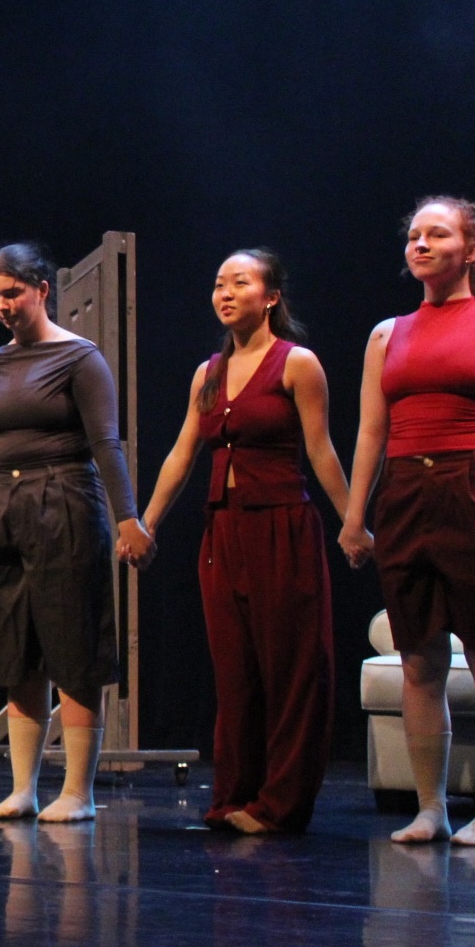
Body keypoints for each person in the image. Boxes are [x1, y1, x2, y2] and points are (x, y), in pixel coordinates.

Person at [0, 243, 153, 821]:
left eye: (12, 294)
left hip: (64, 500)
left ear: (43, 290)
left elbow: (106, 443)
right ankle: (23, 788)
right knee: (15, 651)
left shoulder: (80, 359)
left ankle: (78, 792)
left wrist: (127, 517)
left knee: (72, 648)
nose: (2, 306)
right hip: (1, 506)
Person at [340, 197, 475, 847]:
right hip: (405, 495)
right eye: (414, 236)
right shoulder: (387, 334)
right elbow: (371, 431)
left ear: (471, 249)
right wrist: (354, 516)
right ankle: (430, 808)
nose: (421, 244)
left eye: (437, 234)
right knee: (418, 660)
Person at [137, 250, 351, 834]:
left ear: (271, 296)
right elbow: (183, 452)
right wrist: (146, 522)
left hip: (281, 526)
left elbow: (321, 450)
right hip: (223, 531)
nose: (226, 293)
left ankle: (280, 804)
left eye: (240, 282)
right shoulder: (208, 373)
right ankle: (235, 794)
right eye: (218, 284)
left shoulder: (296, 363)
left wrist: (352, 521)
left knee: (290, 669)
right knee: (235, 672)